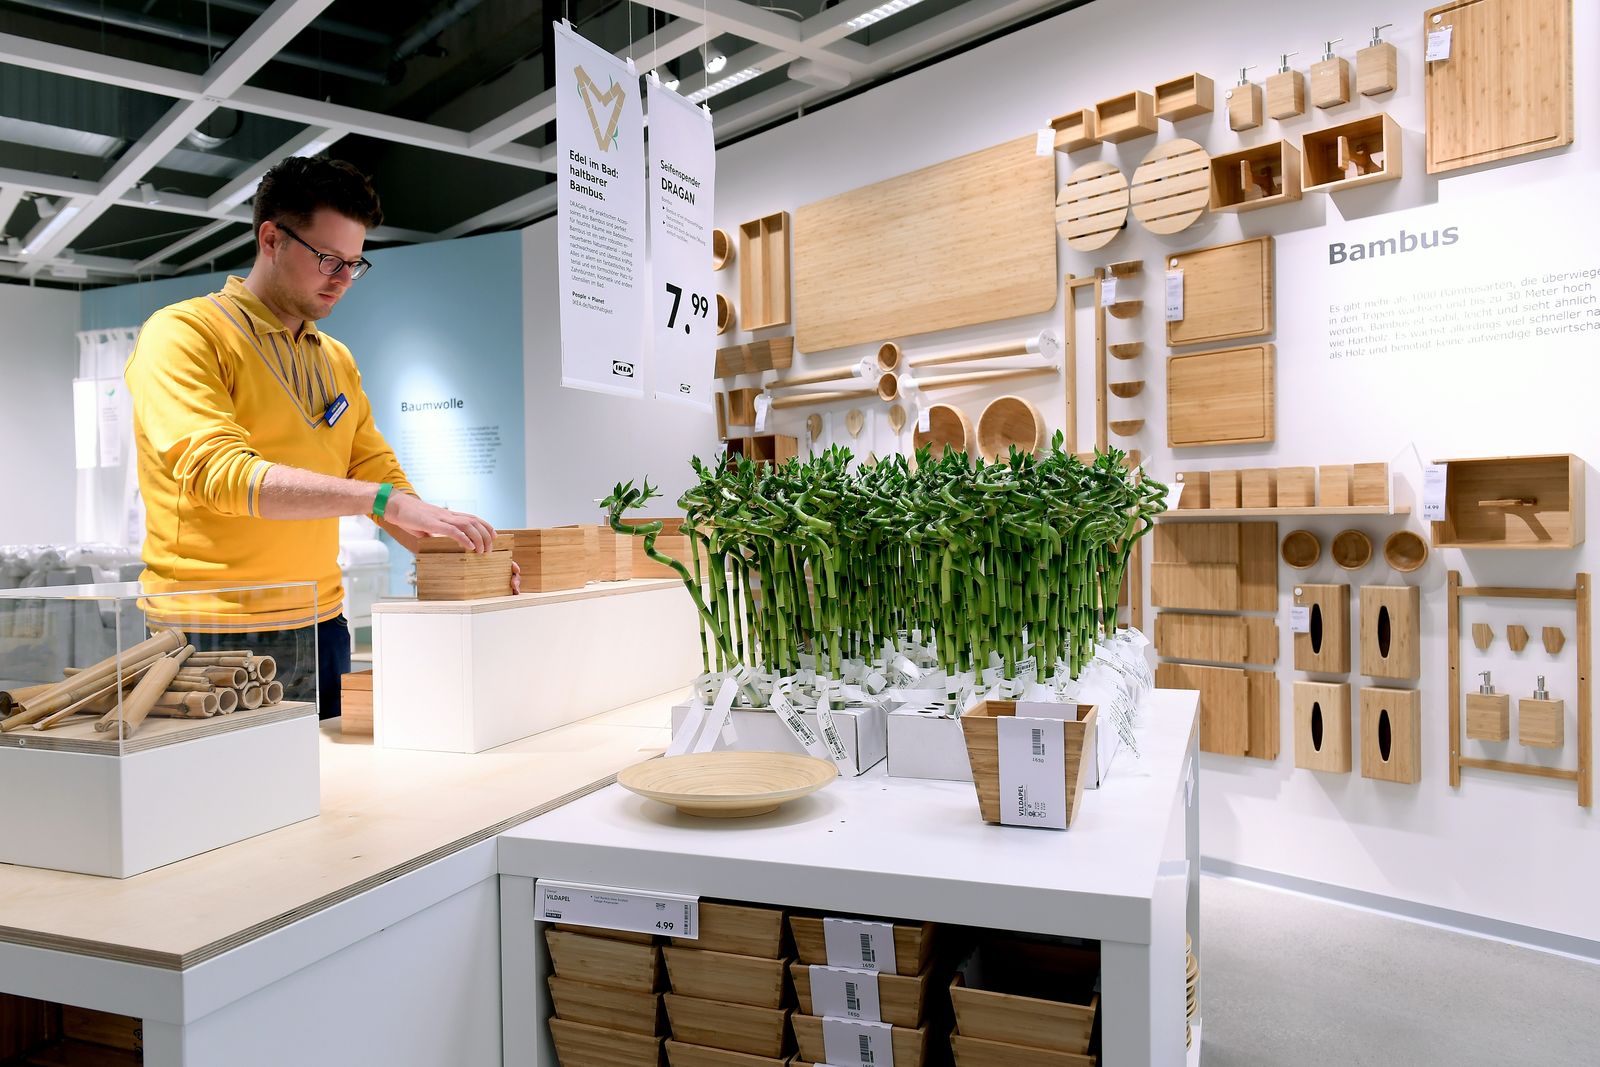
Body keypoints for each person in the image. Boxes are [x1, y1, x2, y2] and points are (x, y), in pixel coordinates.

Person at [125, 157, 516, 719]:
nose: (341, 280)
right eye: (329, 259)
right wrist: (380, 501)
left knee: (339, 800)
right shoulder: (184, 333)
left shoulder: (335, 358)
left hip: (322, 623)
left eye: (354, 265)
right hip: (210, 631)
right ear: (270, 239)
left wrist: (458, 551)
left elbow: (377, 471)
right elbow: (220, 475)